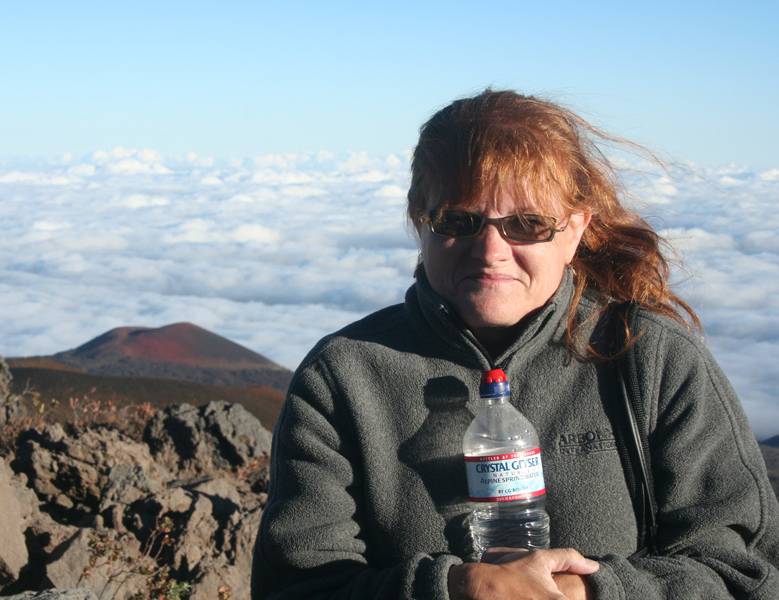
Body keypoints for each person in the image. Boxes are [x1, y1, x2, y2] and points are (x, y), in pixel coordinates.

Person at [251, 89, 779, 599]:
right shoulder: (342, 378)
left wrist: (580, 592)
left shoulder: (649, 359)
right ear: (420, 221)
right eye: (458, 221)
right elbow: (296, 587)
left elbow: (747, 574)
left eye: (527, 224)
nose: (490, 250)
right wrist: (460, 588)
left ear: (575, 230)